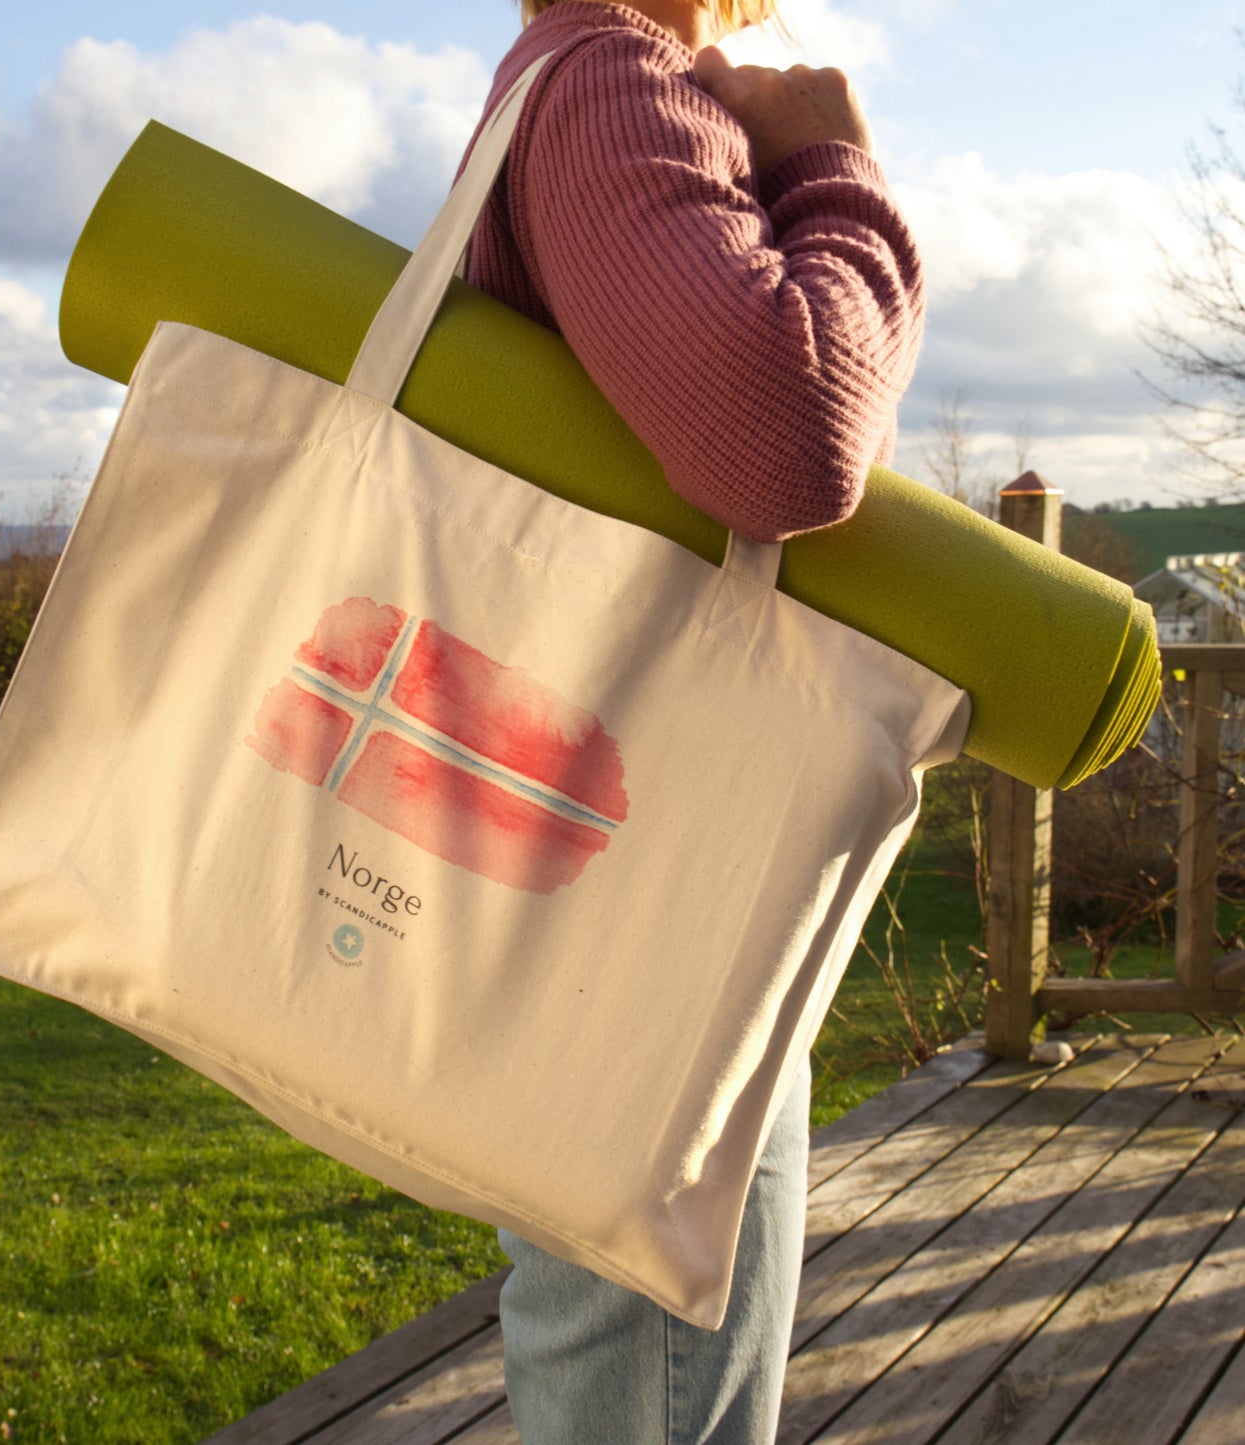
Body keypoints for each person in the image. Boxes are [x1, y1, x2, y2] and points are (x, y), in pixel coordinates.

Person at [460, 2, 925, 1440]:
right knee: (651, 1368)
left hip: (639, 832)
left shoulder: (589, 78)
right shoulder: (610, 76)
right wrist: (834, 171)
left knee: (668, 1341)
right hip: (642, 852)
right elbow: (784, 429)